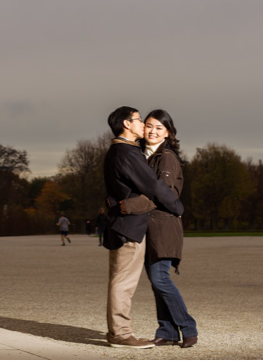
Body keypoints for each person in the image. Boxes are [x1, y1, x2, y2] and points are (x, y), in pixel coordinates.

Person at [102, 106, 184, 349]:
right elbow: (154, 187)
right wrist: (177, 207)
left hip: (124, 225)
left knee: (120, 279)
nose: (143, 126)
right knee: (123, 282)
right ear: (127, 124)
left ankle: (117, 331)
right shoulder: (127, 152)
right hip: (130, 227)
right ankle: (120, 334)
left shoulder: (120, 151)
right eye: (139, 120)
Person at [122, 109, 198, 349]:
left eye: (159, 128)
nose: (153, 131)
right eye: (150, 126)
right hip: (148, 226)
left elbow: (162, 194)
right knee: (157, 281)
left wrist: (128, 206)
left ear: (167, 132)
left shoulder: (167, 157)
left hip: (164, 226)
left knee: (160, 278)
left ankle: (188, 328)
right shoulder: (143, 156)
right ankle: (167, 331)